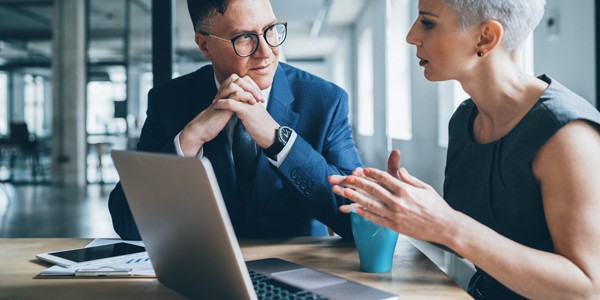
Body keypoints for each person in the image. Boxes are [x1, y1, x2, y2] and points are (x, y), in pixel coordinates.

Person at [329, 0, 600, 299]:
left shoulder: (567, 136)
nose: (411, 36)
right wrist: (405, 208)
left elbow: (587, 289)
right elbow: (472, 237)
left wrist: (447, 224)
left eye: (428, 23)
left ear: (485, 38)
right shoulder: (464, 119)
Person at [109, 0, 362, 240]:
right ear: (204, 46)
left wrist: (280, 142)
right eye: (245, 38)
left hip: (301, 272)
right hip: (205, 274)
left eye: (270, 30)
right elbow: (127, 223)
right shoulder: (168, 103)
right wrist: (190, 138)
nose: (266, 52)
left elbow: (357, 218)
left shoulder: (326, 101)